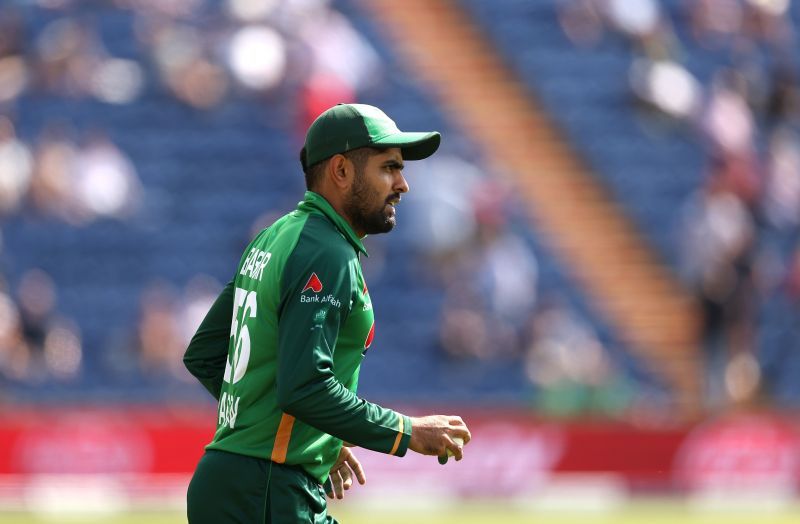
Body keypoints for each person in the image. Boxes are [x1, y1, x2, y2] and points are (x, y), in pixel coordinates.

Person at [183, 103, 472, 523]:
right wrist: (408, 433)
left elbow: (206, 354)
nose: (403, 184)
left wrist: (311, 438)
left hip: (231, 484)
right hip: (268, 491)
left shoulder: (276, 236)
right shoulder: (325, 251)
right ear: (341, 171)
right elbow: (304, 388)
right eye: (388, 168)